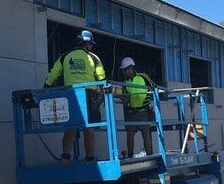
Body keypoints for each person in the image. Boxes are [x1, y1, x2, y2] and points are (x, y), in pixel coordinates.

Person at [44, 30, 106, 162]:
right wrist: (103, 90)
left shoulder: (65, 57)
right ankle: (89, 158)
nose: (91, 47)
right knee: (89, 128)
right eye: (91, 44)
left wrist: (46, 87)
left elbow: (53, 74)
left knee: (70, 127)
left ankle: (65, 157)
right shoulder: (94, 58)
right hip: (89, 95)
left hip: (70, 95)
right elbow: (102, 78)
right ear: (87, 43)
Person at [119, 57, 155, 157]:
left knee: (146, 133)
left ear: (131, 68)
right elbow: (127, 100)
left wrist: (152, 104)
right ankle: (130, 155)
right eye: (123, 70)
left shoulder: (143, 76)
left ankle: (149, 154)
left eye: (125, 70)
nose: (124, 72)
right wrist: (120, 97)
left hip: (144, 111)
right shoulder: (125, 83)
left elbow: (154, 88)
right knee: (129, 134)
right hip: (132, 112)